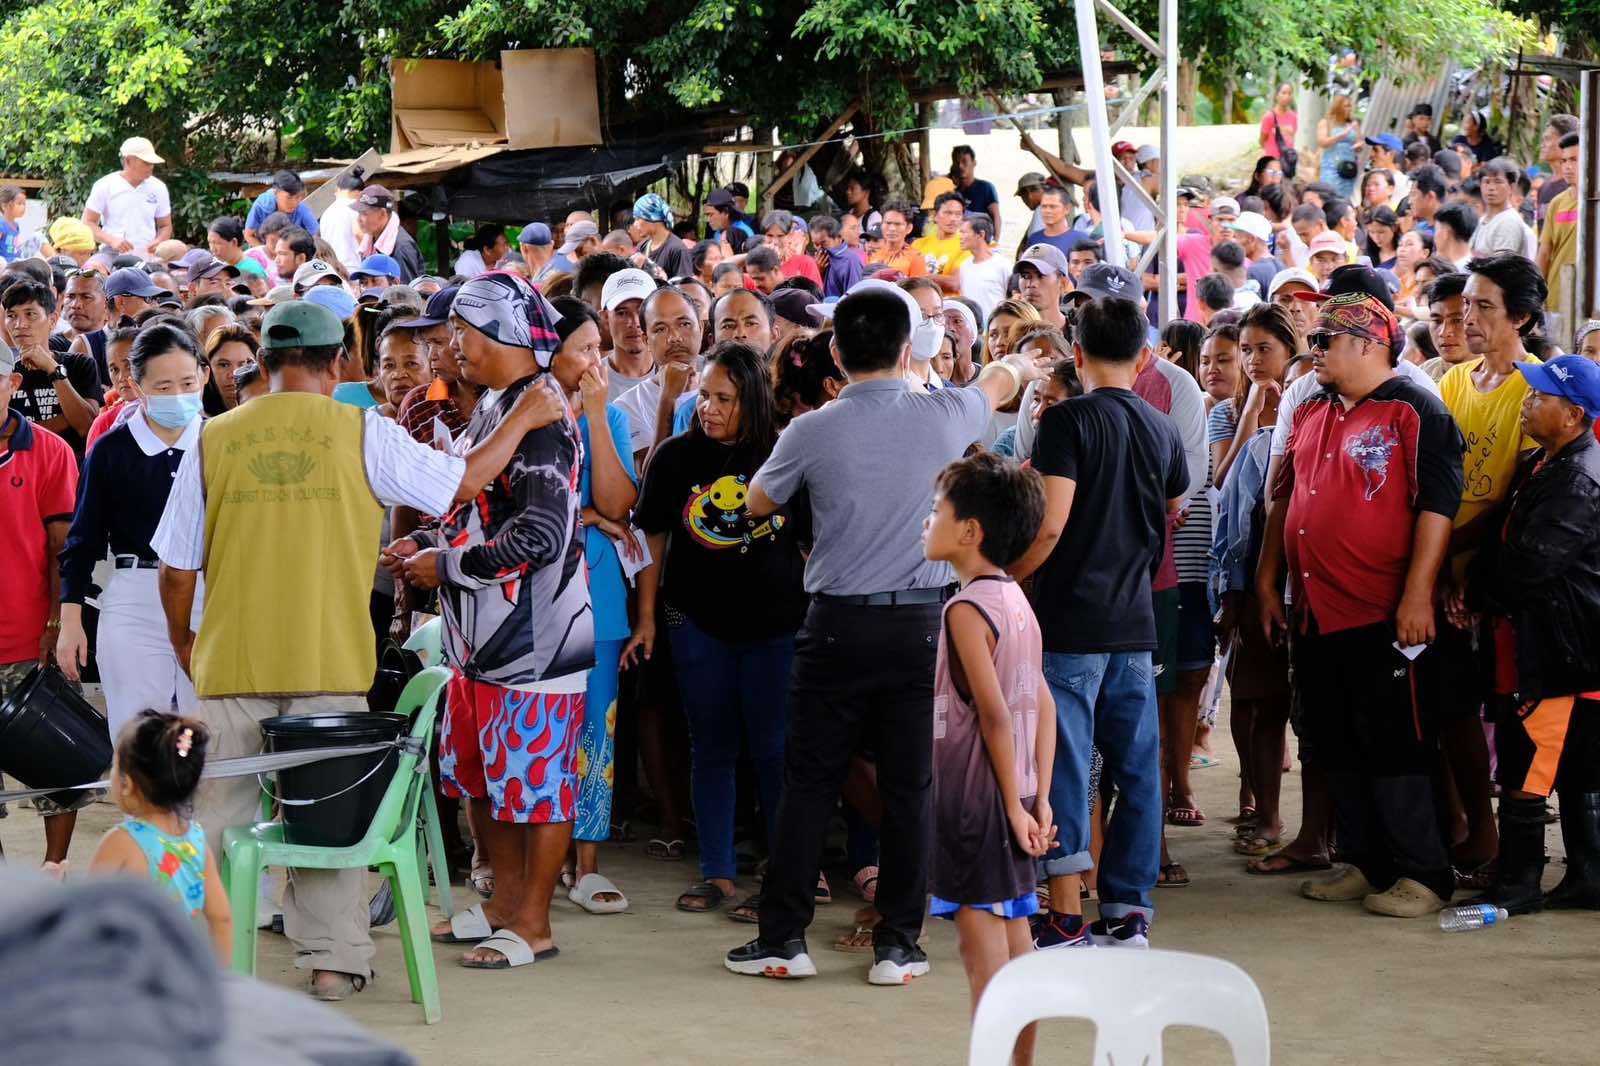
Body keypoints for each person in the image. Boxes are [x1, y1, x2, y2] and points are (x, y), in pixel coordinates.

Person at [153, 297, 565, 997]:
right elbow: (459, 484)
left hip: (230, 663)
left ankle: (205, 965)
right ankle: (334, 962)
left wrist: (187, 641)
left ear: (267, 362)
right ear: (338, 362)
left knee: (219, 822)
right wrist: (527, 416)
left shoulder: (211, 437)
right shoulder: (363, 432)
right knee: (327, 822)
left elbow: (176, 566)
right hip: (328, 663)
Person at [723, 286, 1044, 983]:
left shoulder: (812, 428)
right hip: (925, 626)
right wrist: (1020, 362)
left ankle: (784, 940)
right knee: (911, 785)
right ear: (907, 350)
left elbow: (757, 501)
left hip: (836, 624)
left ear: (835, 353)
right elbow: (996, 382)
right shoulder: (944, 412)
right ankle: (899, 946)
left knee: (808, 783)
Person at [1260, 289, 1463, 918]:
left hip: (1382, 610)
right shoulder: (1311, 410)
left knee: (1396, 741)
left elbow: (1437, 509)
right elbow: (1284, 502)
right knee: (1333, 738)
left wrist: (1417, 593)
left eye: (1324, 340)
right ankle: (1365, 861)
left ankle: (1423, 874)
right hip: (1315, 608)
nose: (1312, 350)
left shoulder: (1416, 412)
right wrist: (1269, 581)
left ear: (1369, 344)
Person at [1007, 295, 1189, 949]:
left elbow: (1051, 523)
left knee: (1064, 765)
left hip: (1070, 620)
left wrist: (1005, 579)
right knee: (1138, 767)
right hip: (1135, 622)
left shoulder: (1067, 422)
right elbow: (1176, 503)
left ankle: (1061, 912)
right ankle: (1128, 910)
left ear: (1076, 354)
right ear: (1144, 358)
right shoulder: (1162, 426)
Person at [628, 342, 807, 920]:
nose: (708, 408)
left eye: (723, 399)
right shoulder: (676, 458)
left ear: (752, 401)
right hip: (695, 621)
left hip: (778, 626)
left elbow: (810, 542)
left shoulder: (786, 453)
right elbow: (652, 539)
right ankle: (717, 872)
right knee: (711, 747)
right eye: (703, 395)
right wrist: (649, 617)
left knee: (775, 750)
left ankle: (784, 873)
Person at [923, 453, 1052, 1065]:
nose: (928, 522)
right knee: (1016, 958)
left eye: (937, 512)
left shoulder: (965, 609)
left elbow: (998, 715)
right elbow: (1043, 707)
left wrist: (1006, 804)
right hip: (1018, 799)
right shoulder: (1017, 601)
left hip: (977, 806)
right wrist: (1038, 799)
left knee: (987, 974)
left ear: (970, 531)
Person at [1462, 355, 1600, 913]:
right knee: (1562, 762)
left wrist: (1471, 587)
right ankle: (1587, 876)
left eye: (1540, 397)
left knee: (1529, 766)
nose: (1526, 402)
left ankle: (1517, 884)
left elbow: (1530, 566)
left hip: (1559, 648)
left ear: (1572, 415)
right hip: (1544, 642)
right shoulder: (1549, 462)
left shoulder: (1576, 476)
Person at [58, 323, 207, 739]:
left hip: (212, 595)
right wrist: (70, 621)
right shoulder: (112, 450)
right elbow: (82, 539)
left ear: (204, 376)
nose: (177, 396)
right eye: (162, 387)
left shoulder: (223, 442)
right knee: (141, 739)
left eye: (187, 382)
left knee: (218, 740)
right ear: (136, 385)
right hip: (136, 597)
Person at [0, 342, 87, 868]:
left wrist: (58, 621)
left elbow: (64, 549)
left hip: (29, 642)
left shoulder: (50, 453)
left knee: (57, 767)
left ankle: (53, 871)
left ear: (12, 385)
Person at [87, 710, 231, 962]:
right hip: (181, 972)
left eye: (114, 766)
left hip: (130, 974)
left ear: (127, 784)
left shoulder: (121, 841)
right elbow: (221, 918)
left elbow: (86, 914)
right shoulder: (196, 839)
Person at [5, 278, 101, 456]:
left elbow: (86, 427)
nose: (20, 324)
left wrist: (53, 369)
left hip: (70, 469)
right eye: (11, 316)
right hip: (19, 470)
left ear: (53, 320)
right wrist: (64, 420)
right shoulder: (4, 372)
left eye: (30, 314)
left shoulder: (80, 364)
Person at [82, 137, 172, 256]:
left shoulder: (158, 188)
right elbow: (87, 222)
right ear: (128, 161)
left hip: (147, 256)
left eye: (152, 163)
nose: (151, 167)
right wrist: (112, 240)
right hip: (111, 255)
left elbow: (165, 225)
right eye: (146, 162)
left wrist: (159, 241)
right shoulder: (105, 185)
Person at [1536, 133, 1580, 331]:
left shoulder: (1594, 204)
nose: (1568, 166)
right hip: (1556, 297)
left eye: (1574, 160)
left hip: (1590, 299)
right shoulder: (1557, 203)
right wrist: (1535, 294)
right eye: (1564, 161)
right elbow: (1544, 251)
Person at [353, 185, 424, 282]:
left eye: (364, 213)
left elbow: (405, 292)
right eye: (359, 213)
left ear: (382, 214)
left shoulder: (401, 247)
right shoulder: (370, 242)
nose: (359, 219)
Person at [1469, 159, 1536, 260]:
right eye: (1486, 182)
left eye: (1498, 182)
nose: (1491, 187)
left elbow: (1500, 269)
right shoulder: (1483, 219)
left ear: (1511, 187)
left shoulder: (1509, 221)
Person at [956, 215, 1010, 321]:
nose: (959, 236)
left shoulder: (1002, 265)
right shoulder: (964, 266)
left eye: (964, 232)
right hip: (973, 330)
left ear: (980, 234)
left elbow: (1013, 299)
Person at [912, 193, 971, 288]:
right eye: (948, 213)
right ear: (934, 215)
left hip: (950, 302)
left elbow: (955, 283)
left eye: (958, 214)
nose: (953, 219)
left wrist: (920, 278)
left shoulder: (966, 246)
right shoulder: (918, 244)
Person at [243, 170, 317, 245]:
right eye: (289, 197)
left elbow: (316, 236)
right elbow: (248, 235)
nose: (294, 203)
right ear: (275, 193)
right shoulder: (261, 206)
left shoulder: (302, 209)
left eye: (297, 197)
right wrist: (265, 254)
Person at [632, 193, 693, 278]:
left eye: (638, 219)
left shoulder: (678, 250)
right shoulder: (643, 246)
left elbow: (686, 287)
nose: (635, 224)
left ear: (652, 219)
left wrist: (664, 281)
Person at [949, 145, 1002, 236]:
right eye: (957, 162)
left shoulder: (986, 188)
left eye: (964, 162)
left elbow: (996, 216)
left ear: (974, 163)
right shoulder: (952, 192)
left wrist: (995, 242)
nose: (960, 166)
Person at [1316, 94, 1361, 201]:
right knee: (1329, 195)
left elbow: (1359, 142)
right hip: (1331, 166)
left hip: (1348, 167)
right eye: (1346, 106)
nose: (1349, 109)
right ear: (1338, 107)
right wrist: (1341, 136)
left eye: (1350, 106)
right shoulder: (1326, 123)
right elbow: (1322, 142)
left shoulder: (1353, 124)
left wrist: (1358, 146)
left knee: (1345, 198)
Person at [867, 200, 927, 277]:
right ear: (881, 225)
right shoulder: (873, 255)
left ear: (909, 228)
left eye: (897, 224)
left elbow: (919, 288)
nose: (892, 228)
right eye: (888, 223)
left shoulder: (916, 257)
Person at [809, 215, 861, 298]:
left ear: (838, 238)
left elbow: (854, 297)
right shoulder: (818, 260)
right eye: (816, 244)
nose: (819, 249)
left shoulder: (850, 261)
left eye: (823, 243)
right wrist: (817, 271)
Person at [1260, 83, 1299, 168]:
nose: (1287, 96)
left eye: (1289, 93)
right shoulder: (1269, 116)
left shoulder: (1294, 117)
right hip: (1272, 163)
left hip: (1288, 163)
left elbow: (1292, 138)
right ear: (1276, 96)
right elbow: (1262, 140)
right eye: (1284, 93)